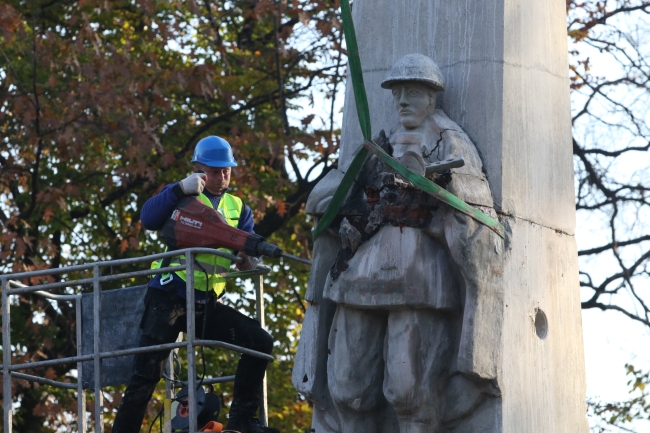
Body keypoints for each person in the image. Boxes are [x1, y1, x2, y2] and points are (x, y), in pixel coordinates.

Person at [293, 54, 504, 433]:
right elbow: (332, 190)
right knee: (349, 389)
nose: (403, 100)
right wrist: (341, 197)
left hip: (419, 277)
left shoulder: (449, 142)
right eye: (398, 93)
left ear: (431, 98)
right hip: (359, 276)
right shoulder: (382, 142)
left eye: (413, 92)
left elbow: (475, 214)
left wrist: (437, 190)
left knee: (410, 394)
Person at [113, 136, 279, 433]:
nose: (221, 176)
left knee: (259, 342)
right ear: (198, 169)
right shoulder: (182, 195)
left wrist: (248, 260)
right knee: (145, 375)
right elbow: (149, 218)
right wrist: (178, 188)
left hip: (205, 302)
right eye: (213, 171)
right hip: (168, 296)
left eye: (226, 170)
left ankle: (241, 420)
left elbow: (245, 247)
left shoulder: (238, 208)